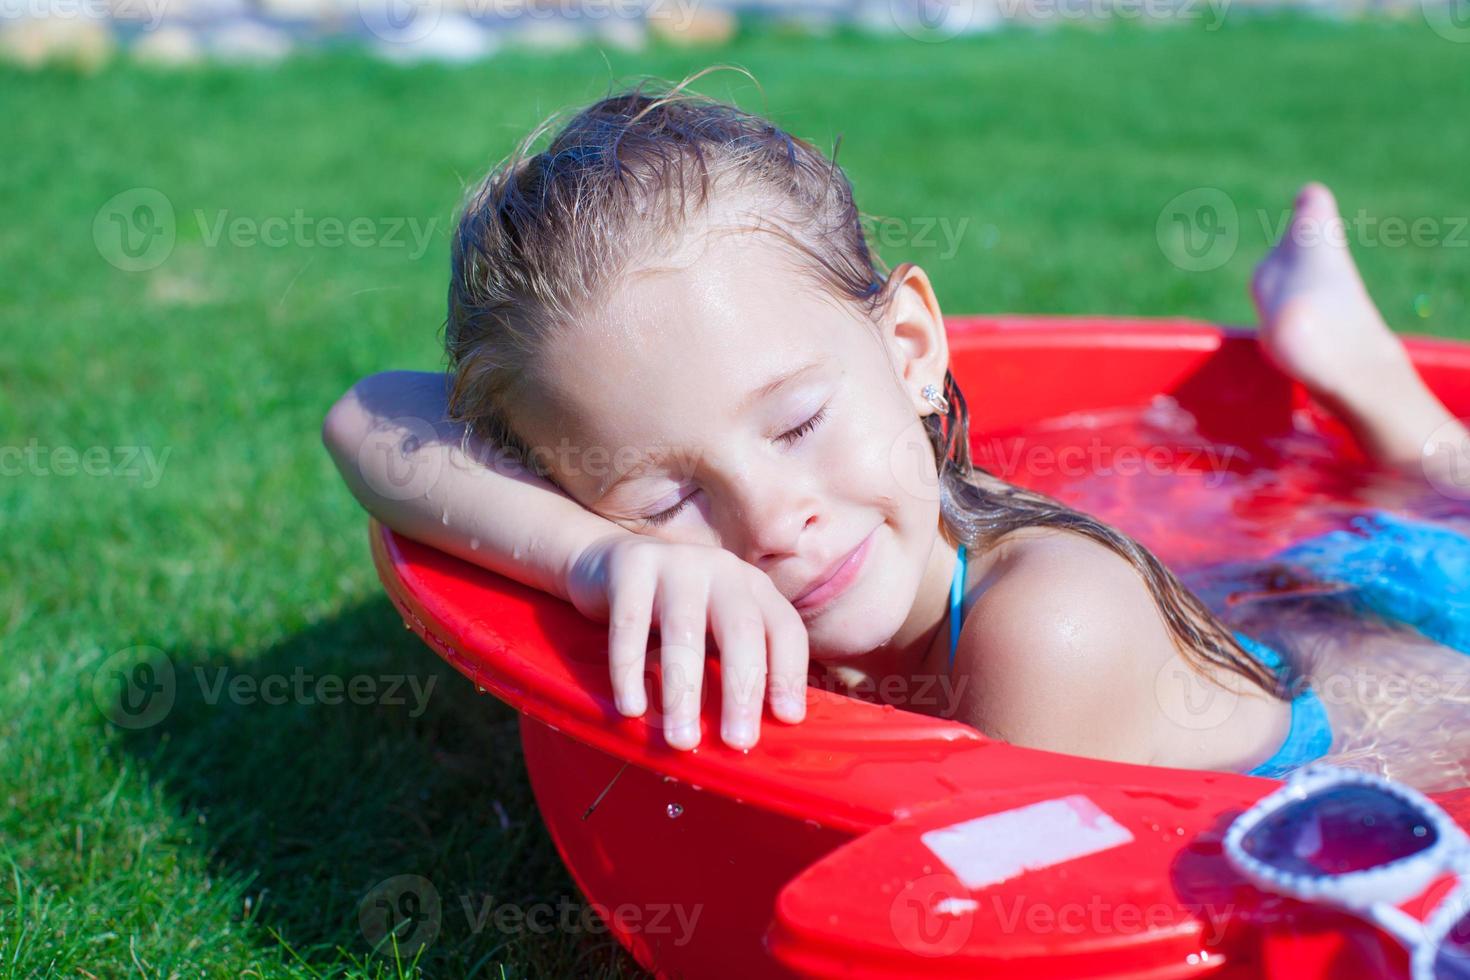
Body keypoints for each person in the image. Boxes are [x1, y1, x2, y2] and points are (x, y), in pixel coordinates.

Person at [322, 74, 1470, 777]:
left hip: (1391, 717)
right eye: (665, 494)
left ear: (911, 351)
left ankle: (1366, 380)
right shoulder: (651, 547)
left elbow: (985, 908)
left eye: (798, 422)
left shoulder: (1050, 631)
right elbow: (370, 416)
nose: (773, 519)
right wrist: (598, 558)